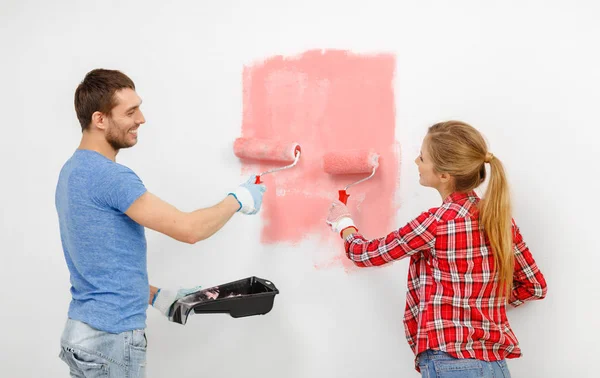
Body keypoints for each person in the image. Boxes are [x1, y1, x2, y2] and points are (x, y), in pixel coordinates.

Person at [55, 68, 266, 377]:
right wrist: (238, 199)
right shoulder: (111, 177)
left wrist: (154, 295)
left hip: (83, 333)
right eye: (130, 111)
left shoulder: (71, 171)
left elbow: (98, 260)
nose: (142, 118)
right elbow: (189, 230)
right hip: (111, 340)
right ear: (100, 119)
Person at [326, 120, 547, 377]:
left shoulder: (437, 223)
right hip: (495, 367)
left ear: (444, 175)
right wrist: (484, 301)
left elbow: (366, 254)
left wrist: (344, 222)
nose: (416, 162)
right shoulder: (499, 220)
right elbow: (534, 286)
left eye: (422, 157)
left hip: (451, 362)